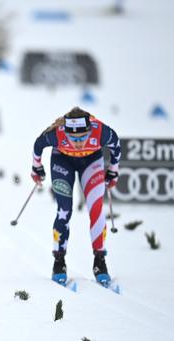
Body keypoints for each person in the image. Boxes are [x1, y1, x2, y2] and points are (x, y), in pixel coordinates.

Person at [30, 106, 121, 287]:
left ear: (90, 130)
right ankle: (59, 261)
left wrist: (113, 171)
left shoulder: (101, 131)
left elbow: (115, 145)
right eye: (73, 138)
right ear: (66, 132)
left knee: (95, 209)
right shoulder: (57, 134)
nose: (78, 143)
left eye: (82, 137)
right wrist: (36, 168)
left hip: (91, 161)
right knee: (64, 210)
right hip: (63, 161)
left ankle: (100, 262)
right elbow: (38, 145)